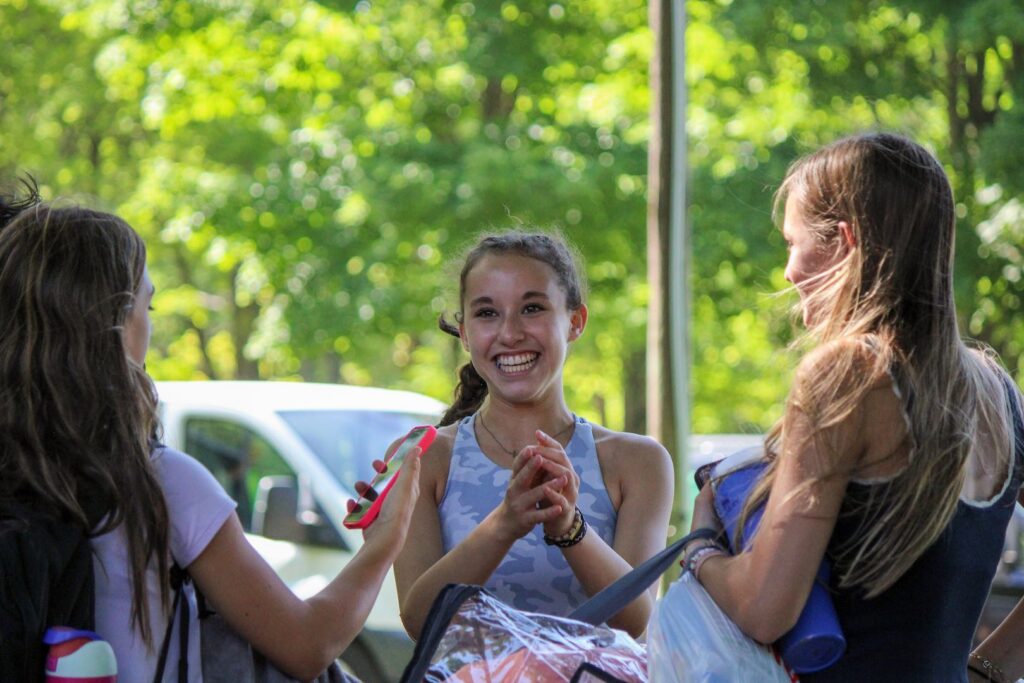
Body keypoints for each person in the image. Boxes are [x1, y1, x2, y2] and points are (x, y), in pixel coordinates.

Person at [0, 200, 422, 682]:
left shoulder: (19, 473)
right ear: (118, 321)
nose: (149, 325)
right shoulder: (159, 485)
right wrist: (385, 542)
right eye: (146, 306)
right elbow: (308, 645)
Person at [684, 132, 1024, 682]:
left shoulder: (847, 374)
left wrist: (702, 548)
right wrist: (989, 671)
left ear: (844, 242)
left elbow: (764, 608)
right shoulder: (998, 392)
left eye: (793, 243)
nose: (788, 271)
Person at [394, 230, 674, 640]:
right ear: (465, 333)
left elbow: (635, 620)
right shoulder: (423, 458)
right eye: (487, 313)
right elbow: (419, 622)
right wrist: (504, 524)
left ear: (575, 322)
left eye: (532, 308)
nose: (510, 333)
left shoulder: (638, 462)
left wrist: (569, 528)